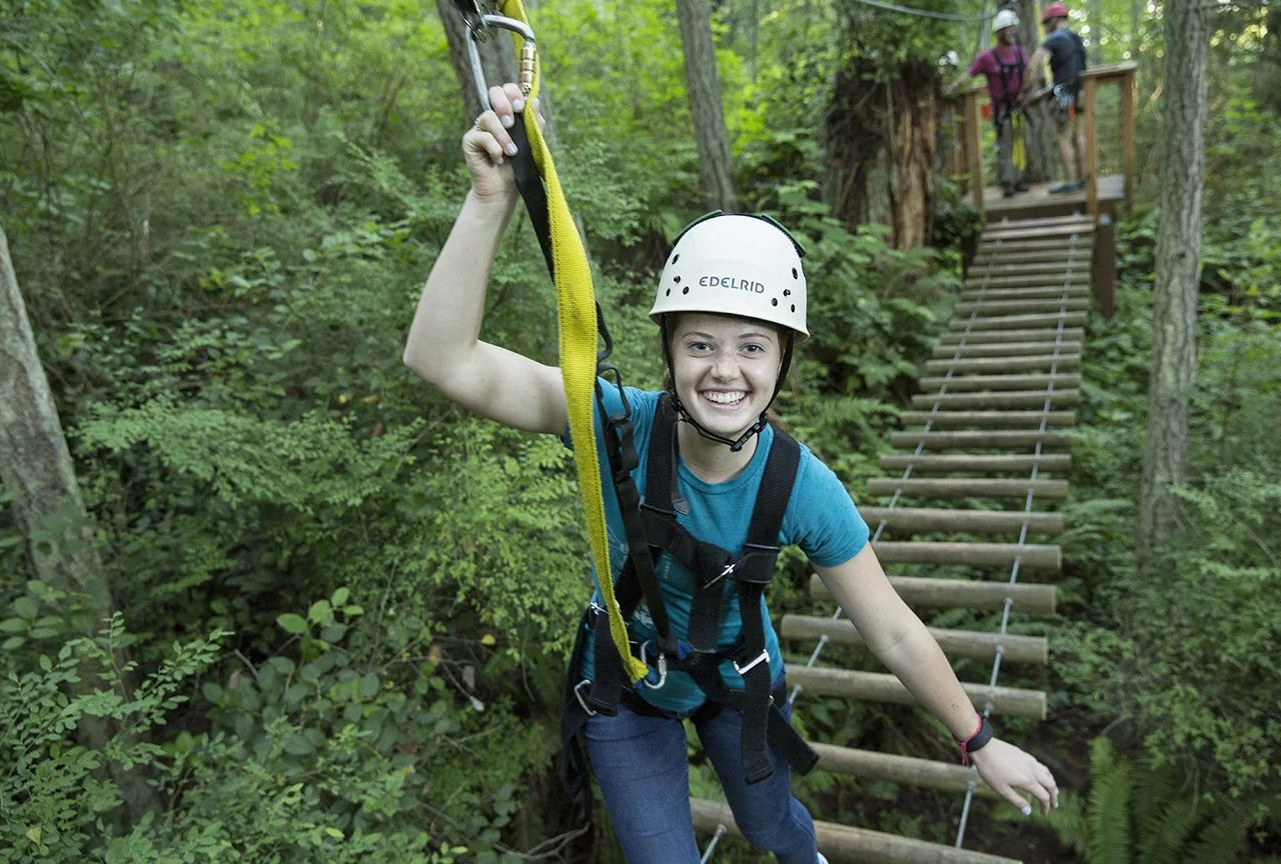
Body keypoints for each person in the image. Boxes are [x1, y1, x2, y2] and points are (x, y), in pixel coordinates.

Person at [404, 82, 1060, 864]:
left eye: (751, 346)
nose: (724, 371)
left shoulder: (800, 486)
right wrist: (489, 202)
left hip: (741, 683)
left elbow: (890, 627)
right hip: (629, 686)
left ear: (783, 362)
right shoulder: (620, 423)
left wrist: (977, 739)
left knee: (771, 825)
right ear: (670, 352)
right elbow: (441, 360)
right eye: (700, 344)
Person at [1026, 2, 1089, 194]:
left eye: (1046, 24)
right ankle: (1084, 178)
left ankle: (1071, 181)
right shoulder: (1076, 39)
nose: (1045, 28)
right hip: (1082, 93)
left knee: (1063, 137)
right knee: (1079, 134)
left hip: (1065, 96)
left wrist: (1024, 90)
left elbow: (1032, 65)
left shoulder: (1054, 38)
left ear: (1053, 20)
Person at [969, 9, 1031, 198]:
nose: (1012, 31)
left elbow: (1029, 73)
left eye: (1013, 28)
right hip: (1001, 109)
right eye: (1008, 28)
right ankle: (1007, 182)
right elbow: (968, 75)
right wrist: (950, 88)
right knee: (1005, 146)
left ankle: (1019, 180)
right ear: (999, 32)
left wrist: (1024, 92)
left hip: (1021, 107)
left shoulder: (1021, 52)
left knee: (1022, 143)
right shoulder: (987, 57)